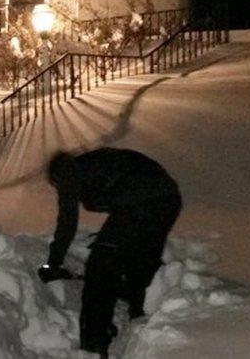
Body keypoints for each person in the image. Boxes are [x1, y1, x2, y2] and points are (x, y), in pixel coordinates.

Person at [37, 148, 182, 356]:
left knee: (100, 267)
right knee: (139, 257)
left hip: (142, 201)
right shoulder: (91, 164)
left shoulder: (69, 172)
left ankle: (94, 342)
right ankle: (138, 312)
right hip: (167, 199)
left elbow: (67, 222)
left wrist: (53, 264)